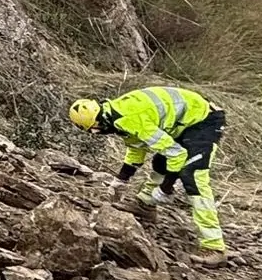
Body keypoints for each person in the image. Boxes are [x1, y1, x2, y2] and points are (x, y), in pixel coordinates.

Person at [68, 87, 227, 264]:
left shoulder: (128, 118)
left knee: (193, 177)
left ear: (98, 122)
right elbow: (137, 148)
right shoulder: (115, 113)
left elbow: (177, 155)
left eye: (94, 130)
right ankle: (146, 205)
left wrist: (166, 188)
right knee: (160, 162)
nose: (96, 133)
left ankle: (214, 246)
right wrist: (121, 180)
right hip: (183, 123)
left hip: (204, 121)